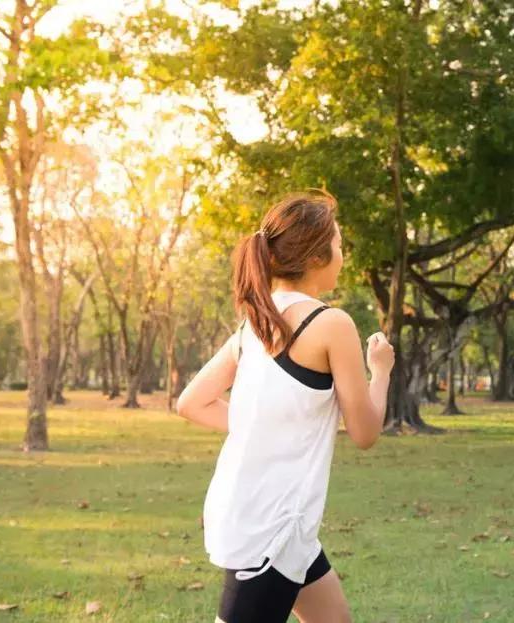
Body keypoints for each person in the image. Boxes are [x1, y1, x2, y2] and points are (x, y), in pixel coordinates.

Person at [176, 189, 395, 623]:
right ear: (316, 256)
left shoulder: (255, 322)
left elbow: (192, 402)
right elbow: (365, 431)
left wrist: (266, 429)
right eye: (338, 244)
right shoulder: (331, 323)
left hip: (271, 519)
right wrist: (381, 370)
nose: (342, 255)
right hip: (270, 528)